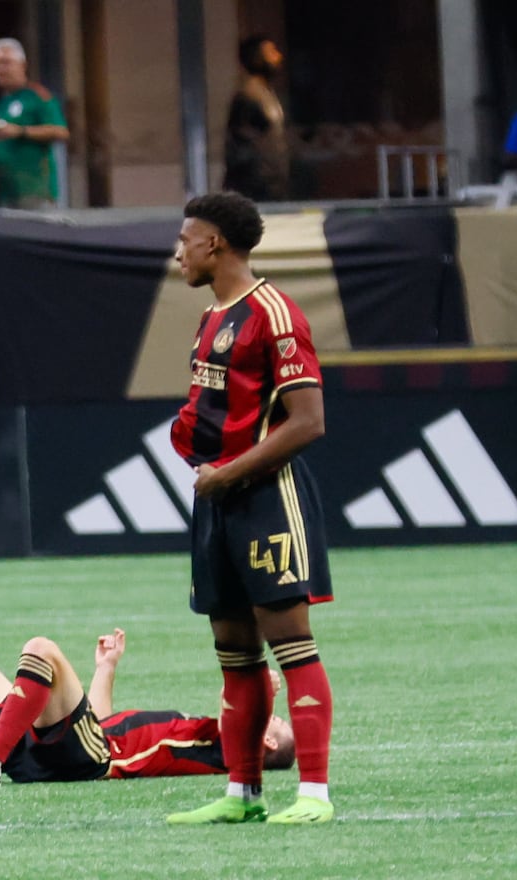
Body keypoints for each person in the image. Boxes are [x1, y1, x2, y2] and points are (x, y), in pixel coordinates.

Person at [166, 192, 335, 825]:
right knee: (233, 650)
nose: (178, 251)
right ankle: (243, 794)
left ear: (215, 244)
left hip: (266, 500)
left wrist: (228, 474)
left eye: (186, 239)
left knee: (292, 645)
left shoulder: (275, 313)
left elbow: (309, 421)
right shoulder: (213, 316)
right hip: (217, 500)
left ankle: (314, 794)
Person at [0, 629, 294, 790]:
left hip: (92, 762)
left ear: (265, 741)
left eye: (272, 721)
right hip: (76, 751)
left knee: (42, 650)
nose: (266, 717)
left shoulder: (230, 753)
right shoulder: (199, 734)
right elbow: (99, 723)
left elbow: (238, 720)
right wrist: (107, 668)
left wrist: (261, 693)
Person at [0, 38, 69, 210]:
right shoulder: (0, 104)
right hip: (6, 191)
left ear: (22, 65)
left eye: (5, 63)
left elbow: (61, 132)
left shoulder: (37, 96)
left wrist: (20, 131)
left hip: (35, 190)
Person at [224, 35, 289, 202]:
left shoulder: (266, 92)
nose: (278, 57)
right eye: (271, 52)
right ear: (256, 58)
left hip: (271, 181)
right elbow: (240, 144)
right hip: (255, 186)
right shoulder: (248, 95)